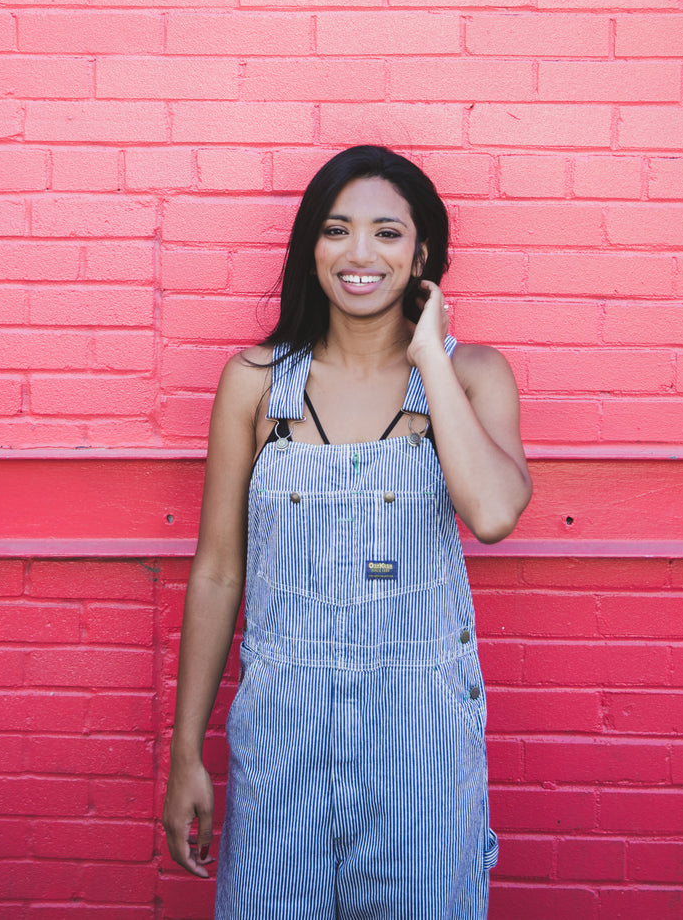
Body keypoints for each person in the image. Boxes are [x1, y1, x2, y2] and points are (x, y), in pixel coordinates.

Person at [163, 145, 532, 918]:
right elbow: (219, 571)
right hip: (281, 724)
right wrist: (186, 750)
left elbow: (495, 515)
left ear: (423, 252)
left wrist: (428, 350)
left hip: (423, 730)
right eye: (337, 230)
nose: (360, 254)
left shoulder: (473, 377)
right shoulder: (257, 382)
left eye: (388, 233)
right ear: (311, 248)